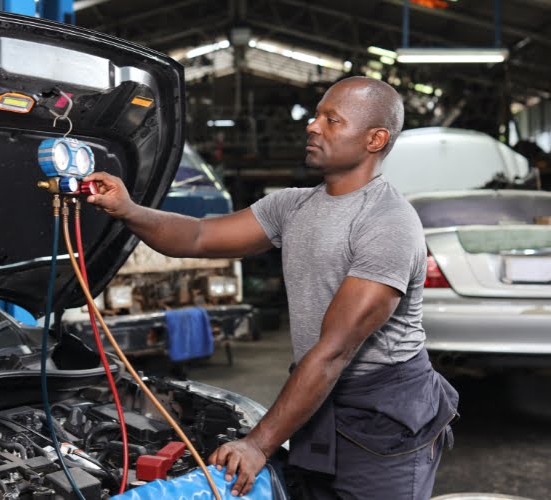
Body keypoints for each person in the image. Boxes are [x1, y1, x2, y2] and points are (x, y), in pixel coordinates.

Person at [84, 76, 459, 500]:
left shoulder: (387, 223)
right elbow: (198, 236)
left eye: (331, 120)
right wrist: (128, 209)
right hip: (317, 397)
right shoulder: (292, 205)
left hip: (381, 414)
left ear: (375, 139)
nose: (312, 126)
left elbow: (334, 351)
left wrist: (258, 443)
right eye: (317, 116)